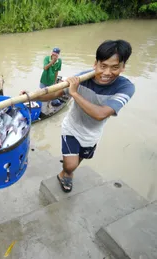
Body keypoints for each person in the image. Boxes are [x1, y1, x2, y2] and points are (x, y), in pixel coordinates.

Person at [24, 39, 135, 193]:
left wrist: (74, 93)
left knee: (78, 160)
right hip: (72, 127)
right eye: (103, 66)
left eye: (115, 67)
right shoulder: (82, 78)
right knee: (70, 165)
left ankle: (69, 171)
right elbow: (53, 93)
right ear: (95, 64)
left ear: (123, 67)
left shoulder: (125, 88)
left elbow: (101, 114)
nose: (107, 73)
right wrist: (31, 96)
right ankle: (65, 173)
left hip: (93, 134)